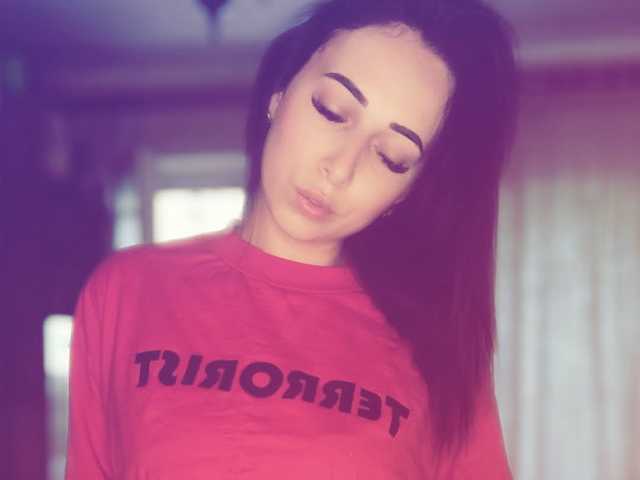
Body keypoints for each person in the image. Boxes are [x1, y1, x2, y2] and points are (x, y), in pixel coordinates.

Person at [65, 0, 518, 478]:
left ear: (405, 193)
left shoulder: (437, 354)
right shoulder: (129, 291)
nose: (340, 168)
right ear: (280, 93)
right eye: (332, 111)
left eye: (391, 156)